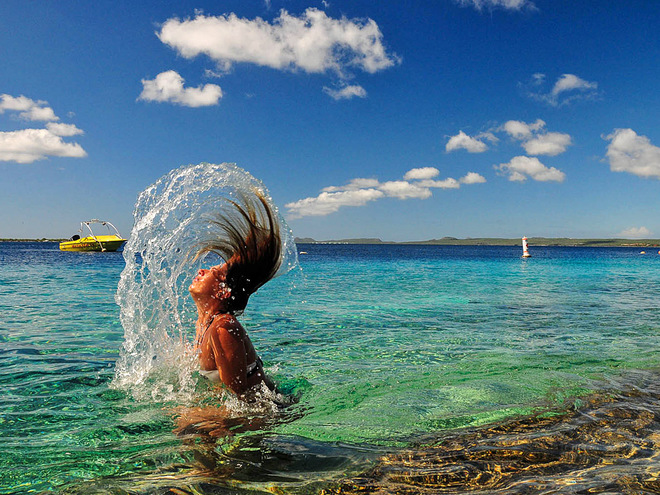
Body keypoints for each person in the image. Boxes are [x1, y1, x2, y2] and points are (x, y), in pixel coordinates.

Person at [189, 191, 281, 396]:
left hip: (271, 415)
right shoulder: (204, 324)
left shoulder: (223, 327)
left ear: (222, 292)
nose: (201, 270)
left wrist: (192, 415)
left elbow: (242, 401)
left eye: (212, 272)